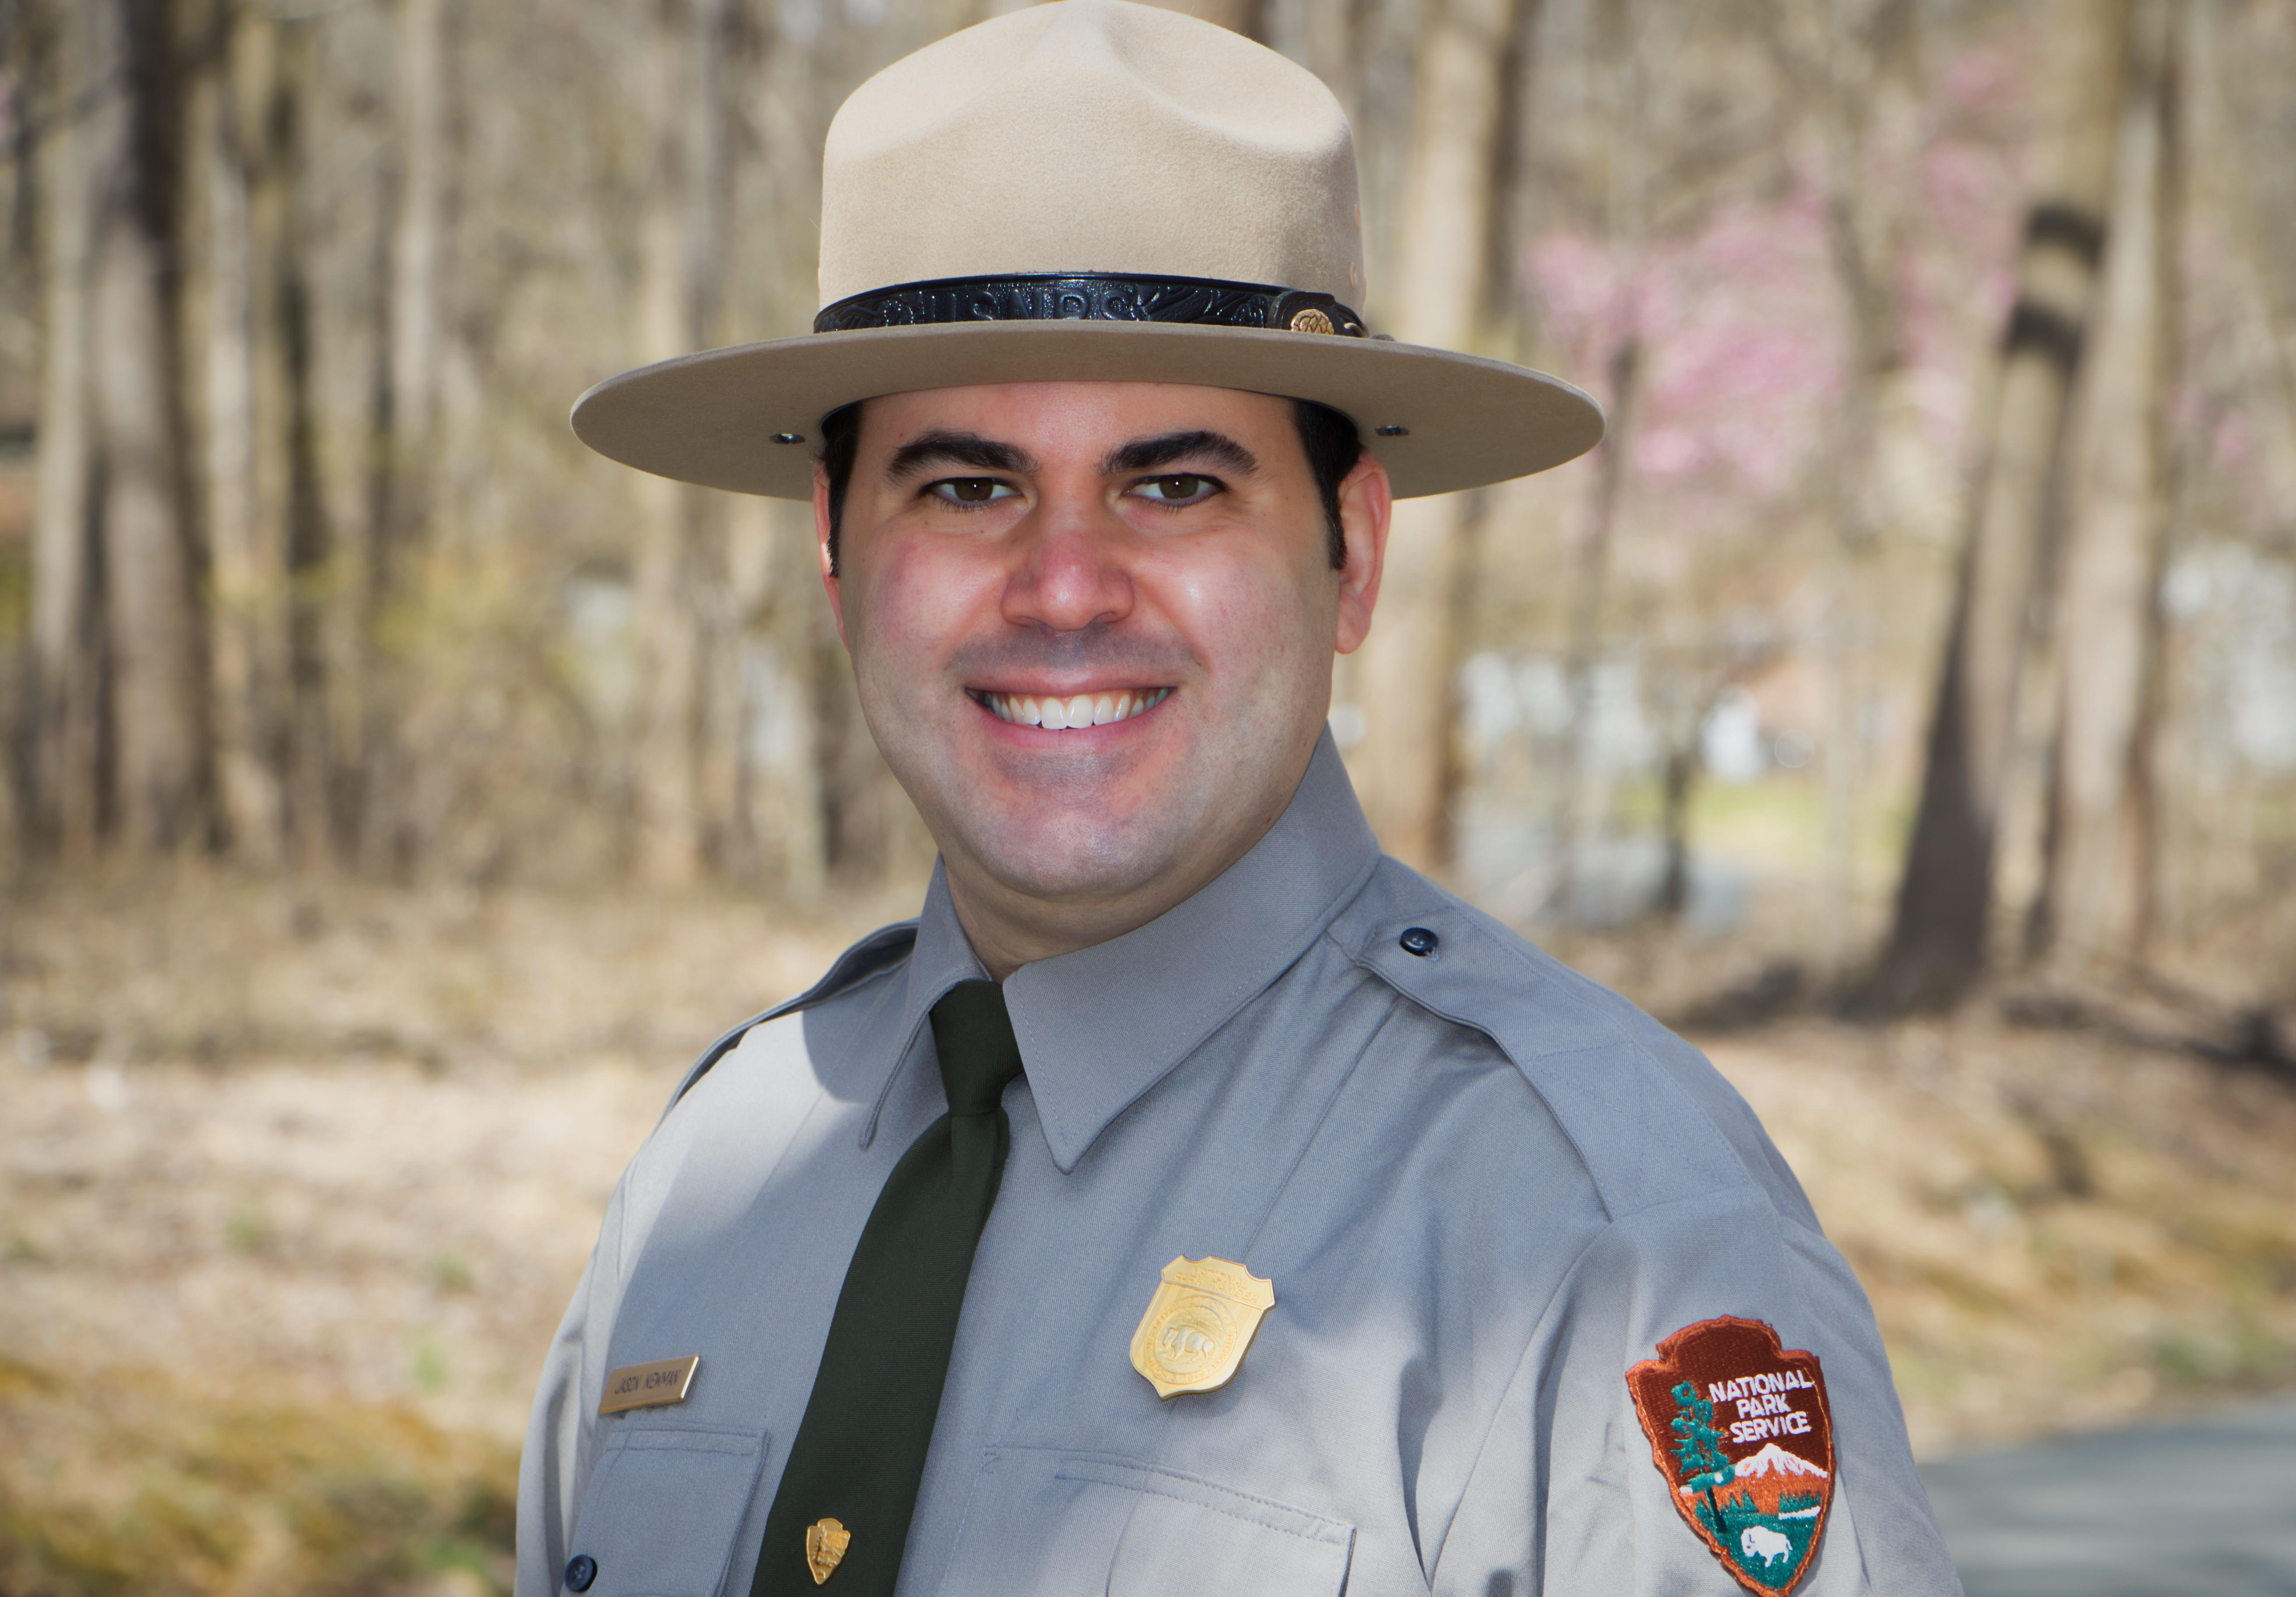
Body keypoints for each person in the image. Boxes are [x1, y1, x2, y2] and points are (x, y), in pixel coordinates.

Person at [518, 5, 1962, 1596]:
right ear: (835, 551)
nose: (1065, 586)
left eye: (1175, 485)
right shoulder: (712, 1174)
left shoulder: (1596, 1232)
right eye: (967, 486)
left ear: (1353, 553)